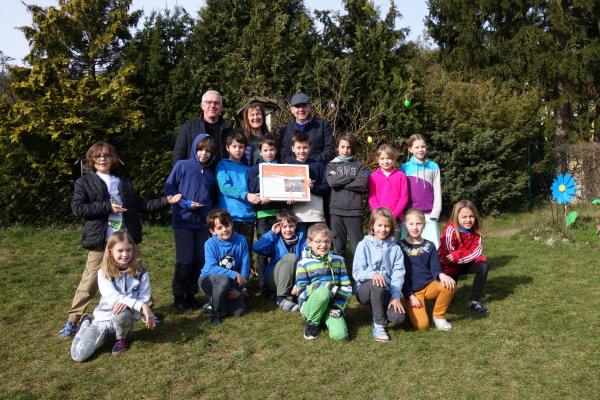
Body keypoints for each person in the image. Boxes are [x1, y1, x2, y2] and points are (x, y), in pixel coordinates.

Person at [59, 142, 180, 338]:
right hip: (101, 243)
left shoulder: (123, 182)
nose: (102, 159)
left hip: (126, 243)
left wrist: (167, 200)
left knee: (138, 277)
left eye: (106, 155)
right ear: (91, 160)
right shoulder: (84, 183)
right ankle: (73, 321)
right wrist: (108, 207)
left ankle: (147, 311)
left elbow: (142, 205)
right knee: (89, 281)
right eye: (98, 156)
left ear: (113, 158)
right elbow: (78, 209)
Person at [71, 232, 156, 361]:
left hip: (125, 319)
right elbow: (113, 296)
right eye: (120, 251)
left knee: (122, 313)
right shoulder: (103, 272)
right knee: (78, 356)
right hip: (103, 320)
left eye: (128, 250)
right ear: (110, 252)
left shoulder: (142, 272)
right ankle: (85, 323)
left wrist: (137, 304)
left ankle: (121, 339)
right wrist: (141, 305)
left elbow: (145, 296)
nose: (125, 254)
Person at [164, 134, 216, 312]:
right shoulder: (182, 165)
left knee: (199, 260)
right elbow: (169, 188)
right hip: (183, 220)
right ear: (195, 148)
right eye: (201, 149)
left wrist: (210, 217)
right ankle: (179, 295)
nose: (204, 154)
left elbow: (210, 197)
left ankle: (191, 294)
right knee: (185, 260)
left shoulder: (209, 173)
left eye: (208, 151)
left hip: (202, 223)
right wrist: (185, 203)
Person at [353, 207, 406, 342]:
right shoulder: (363, 245)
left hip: (387, 290)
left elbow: (398, 274)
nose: (383, 229)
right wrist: (372, 274)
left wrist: (395, 297)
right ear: (372, 226)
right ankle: (379, 325)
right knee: (377, 284)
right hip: (365, 290)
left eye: (387, 226)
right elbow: (357, 272)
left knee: (398, 318)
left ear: (392, 227)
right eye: (379, 225)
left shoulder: (395, 248)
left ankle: (378, 309)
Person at [400, 208, 456, 331]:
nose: (415, 227)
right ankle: (408, 306)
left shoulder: (430, 245)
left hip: (429, 285)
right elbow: (400, 276)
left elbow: (435, 269)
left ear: (424, 225)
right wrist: (409, 295)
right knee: (422, 326)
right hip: (412, 292)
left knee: (449, 284)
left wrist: (441, 275)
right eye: (411, 224)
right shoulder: (399, 247)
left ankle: (439, 316)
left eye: (418, 224)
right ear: (405, 225)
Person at [295, 223, 352, 341]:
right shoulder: (303, 263)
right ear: (309, 242)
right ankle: (312, 323)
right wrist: (327, 287)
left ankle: (325, 318)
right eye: (318, 241)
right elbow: (301, 290)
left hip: (331, 305)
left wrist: (338, 306)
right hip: (311, 305)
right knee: (323, 293)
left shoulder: (339, 260)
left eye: (327, 241)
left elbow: (346, 287)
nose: (323, 245)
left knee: (340, 336)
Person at [247, 135, 289, 289]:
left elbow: (287, 188)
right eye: (266, 150)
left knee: (280, 248)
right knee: (263, 249)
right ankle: (263, 285)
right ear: (260, 152)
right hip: (263, 215)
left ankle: (278, 282)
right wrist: (262, 193)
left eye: (272, 149)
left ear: (276, 150)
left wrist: (290, 198)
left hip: (279, 214)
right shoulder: (254, 170)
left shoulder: (284, 168)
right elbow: (253, 189)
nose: (269, 152)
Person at [438, 200, 490, 314]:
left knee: (483, 266)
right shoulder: (450, 230)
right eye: (464, 217)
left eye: (471, 216)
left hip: (461, 262)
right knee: (445, 299)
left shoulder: (476, 232)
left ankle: (474, 301)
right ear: (457, 217)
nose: (468, 220)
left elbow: (476, 252)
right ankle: (446, 294)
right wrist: (457, 256)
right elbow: (448, 255)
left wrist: (458, 256)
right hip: (447, 267)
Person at [200, 209, 251, 325]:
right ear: (212, 231)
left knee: (239, 311)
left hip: (232, 283)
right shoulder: (209, 244)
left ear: (232, 224)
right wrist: (234, 274)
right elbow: (212, 268)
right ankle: (215, 312)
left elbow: (245, 264)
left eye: (226, 225)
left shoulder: (241, 240)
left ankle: (213, 304)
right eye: (219, 228)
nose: (224, 230)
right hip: (208, 279)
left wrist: (239, 289)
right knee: (223, 280)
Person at [216, 132, 262, 257]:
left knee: (246, 253)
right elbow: (225, 187)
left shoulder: (248, 169)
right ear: (227, 147)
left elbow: (254, 188)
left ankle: (245, 276)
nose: (238, 150)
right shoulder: (222, 165)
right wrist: (246, 195)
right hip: (230, 217)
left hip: (248, 217)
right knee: (228, 254)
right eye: (234, 146)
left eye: (241, 147)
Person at [326, 132, 370, 259]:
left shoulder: (359, 165)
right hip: (336, 212)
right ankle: (341, 277)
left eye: (349, 147)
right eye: (343, 147)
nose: (345, 150)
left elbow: (362, 184)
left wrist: (341, 182)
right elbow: (332, 182)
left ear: (353, 148)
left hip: (354, 212)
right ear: (337, 148)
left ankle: (359, 278)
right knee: (338, 248)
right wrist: (352, 177)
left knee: (358, 248)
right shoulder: (331, 165)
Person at [252, 210, 306, 312]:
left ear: (296, 226)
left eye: (291, 226)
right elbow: (256, 248)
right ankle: (281, 298)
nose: (288, 230)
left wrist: (299, 283)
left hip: (294, 281)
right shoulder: (275, 240)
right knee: (291, 257)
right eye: (284, 227)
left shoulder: (302, 242)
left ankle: (295, 296)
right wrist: (271, 233)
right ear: (279, 227)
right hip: (275, 280)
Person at [401, 134, 442, 247]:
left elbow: (437, 191)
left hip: (429, 214)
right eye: (417, 147)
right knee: (408, 247)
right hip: (410, 215)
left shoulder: (434, 166)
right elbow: (402, 192)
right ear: (410, 149)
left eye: (423, 146)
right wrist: (403, 213)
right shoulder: (404, 167)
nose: (420, 150)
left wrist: (435, 213)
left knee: (434, 247)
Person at [172, 90, 233, 165]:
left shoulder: (229, 130)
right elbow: (178, 156)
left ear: (221, 107)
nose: (213, 105)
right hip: (196, 175)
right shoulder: (188, 128)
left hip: (221, 175)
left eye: (216, 103)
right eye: (209, 102)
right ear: (202, 105)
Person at [288, 131, 330, 233]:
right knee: (301, 243)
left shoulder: (318, 166)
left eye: (305, 147)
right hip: (296, 215)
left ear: (310, 148)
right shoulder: (288, 166)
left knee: (317, 242)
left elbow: (326, 187)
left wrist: (314, 187)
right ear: (293, 148)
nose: (302, 151)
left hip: (315, 214)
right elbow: (284, 189)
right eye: (299, 147)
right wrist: (287, 199)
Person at [277, 92, 335, 164]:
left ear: (309, 108)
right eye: (297, 106)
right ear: (292, 110)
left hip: (317, 169)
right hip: (293, 170)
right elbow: (282, 154)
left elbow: (330, 150)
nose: (301, 109)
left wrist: (312, 163)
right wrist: (297, 163)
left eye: (304, 106)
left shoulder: (323, 125)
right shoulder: (285, 130)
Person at [368, 143, 408, 240]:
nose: (385, 161)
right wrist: (379, 214)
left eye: (389, 158)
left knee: (395, 244)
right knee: (378, 244)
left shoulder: (401, 176)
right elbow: (372, 197)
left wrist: (393, 215)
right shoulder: (373, 176)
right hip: (378, 218)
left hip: (396, 219)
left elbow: (404, 198)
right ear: (377, 159)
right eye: (382, 158)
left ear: (394, 159)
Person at [240, 102, 271, 167]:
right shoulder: (241, 137)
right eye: (252, 115)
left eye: (258, 114)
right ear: (247, 118)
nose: (255, 117)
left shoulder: (270, 137)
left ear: (263, 116)